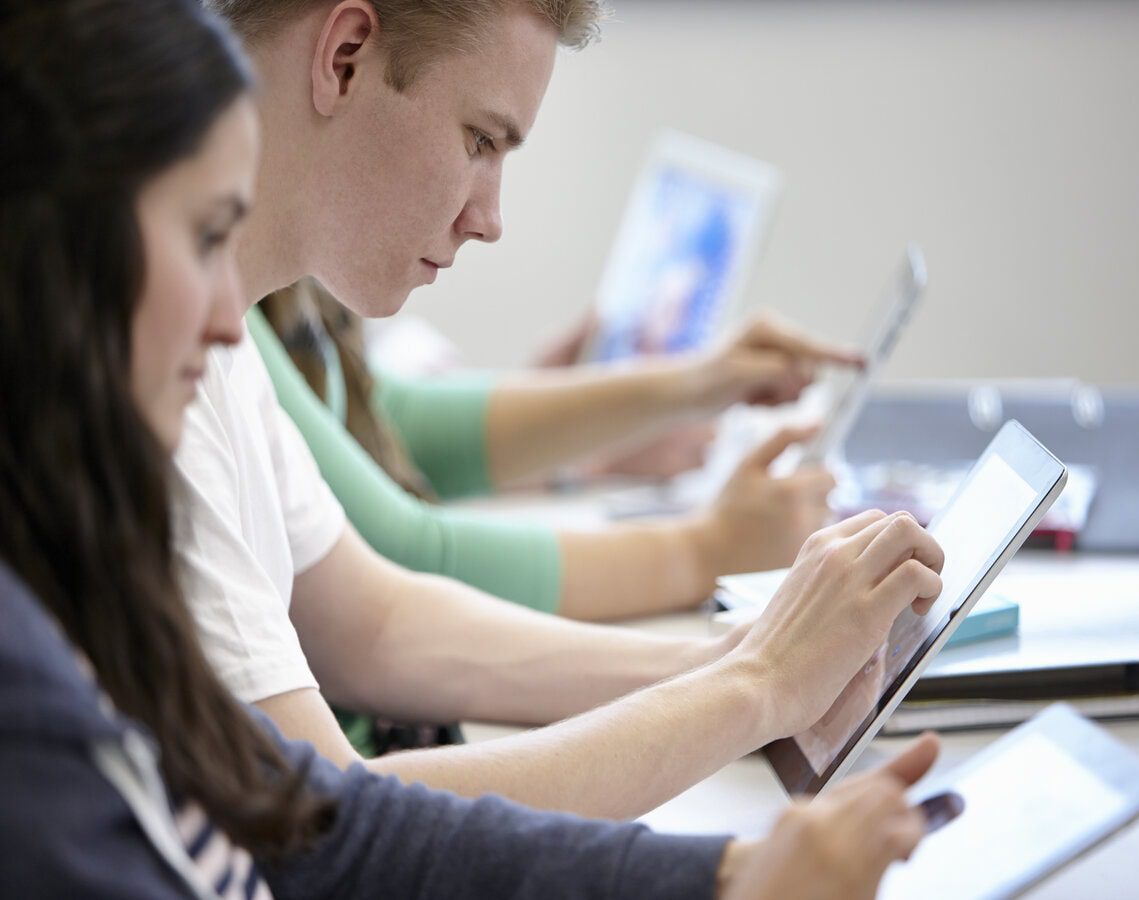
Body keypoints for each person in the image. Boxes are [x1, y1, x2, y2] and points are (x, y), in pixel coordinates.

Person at [0, 3, 952, 896]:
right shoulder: (147, 407)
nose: (491, 214)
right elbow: (322, 836)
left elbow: (375, 626)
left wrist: (745, 663)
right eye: (480, 140)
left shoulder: (190, 355)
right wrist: (742, 671)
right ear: (342, 56)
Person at [252, 276, 847, 619]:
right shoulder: (229, 315)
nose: (490, 218)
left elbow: (383, 421)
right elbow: (389, 563)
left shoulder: (282, 289)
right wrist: (710, 551)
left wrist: (696, 383)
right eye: (478, 139)